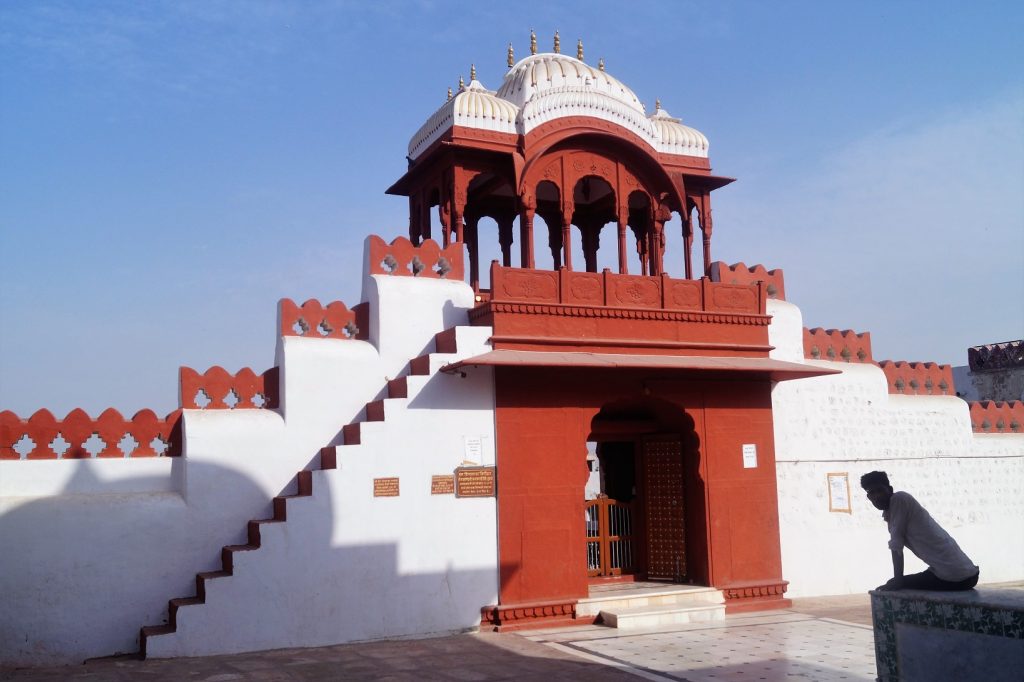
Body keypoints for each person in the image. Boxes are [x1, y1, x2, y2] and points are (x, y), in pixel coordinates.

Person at [860, 470, 979, 591]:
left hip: (957, 577)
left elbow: (896, 545)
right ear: (868, 497)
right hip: (964, 574)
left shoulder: (899, 499)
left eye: (880, 490)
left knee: (895, 582)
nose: (877, 496)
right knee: (898, 581)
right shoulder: (890, 512)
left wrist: (898, 582)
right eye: (872, 493)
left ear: (890, 489)